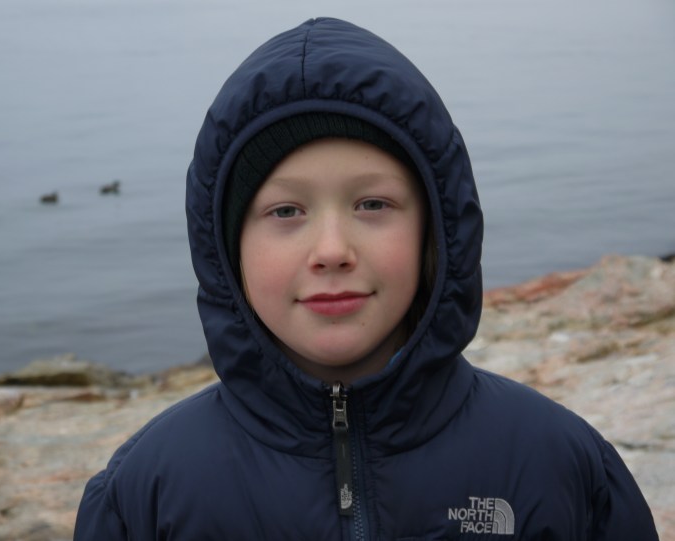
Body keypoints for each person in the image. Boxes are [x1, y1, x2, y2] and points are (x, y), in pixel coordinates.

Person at [74, 17, 658, 540]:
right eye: (286, 211)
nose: (332, 250)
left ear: (436, 231)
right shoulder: (145, 495)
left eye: (373, 204)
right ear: (227, 252)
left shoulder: (559, 464)